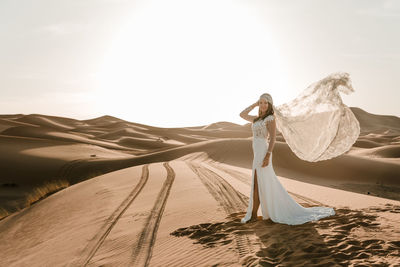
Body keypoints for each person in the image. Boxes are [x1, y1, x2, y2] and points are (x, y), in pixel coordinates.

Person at [239, 72, 360, 225]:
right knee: (257, 182)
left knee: (262, 182)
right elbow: (241, 114)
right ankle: (254, 214)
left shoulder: (270, 119)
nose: (263, 105)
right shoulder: (256, 119)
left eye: (265, 103)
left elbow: (273, 138)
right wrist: (254, 104)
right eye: (261, 102)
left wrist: (268, 155)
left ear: (270, 105)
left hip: (263, 152)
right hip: (256, 154)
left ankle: (257, 214)